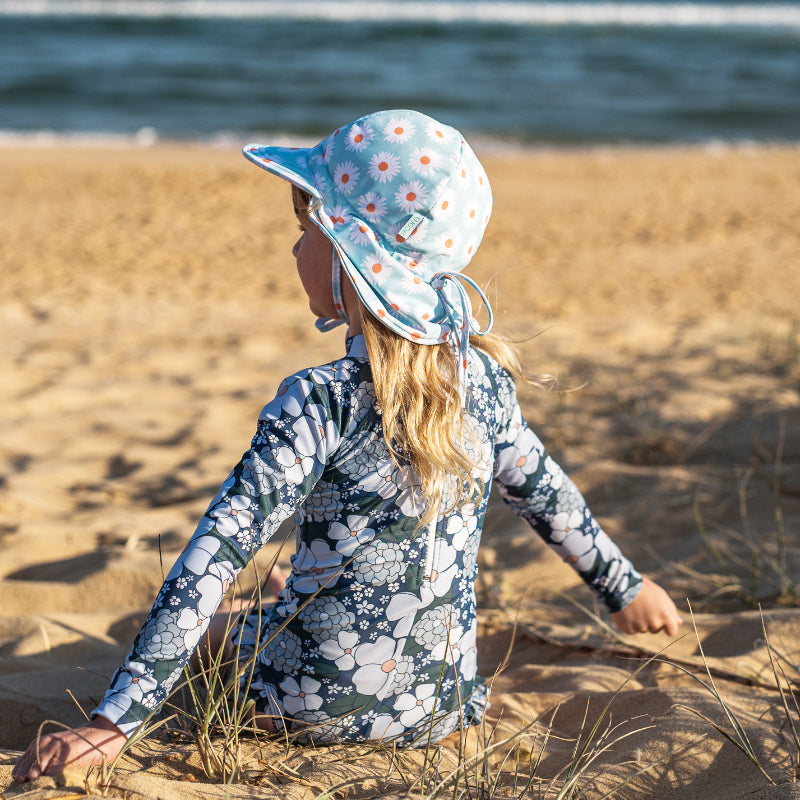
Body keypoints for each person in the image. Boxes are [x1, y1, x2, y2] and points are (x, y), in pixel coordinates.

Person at [13, 109, 682, 782]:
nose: (293, 250)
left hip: (304, 703)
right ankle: (294, 598)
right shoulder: (484, 385)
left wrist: (111, 725)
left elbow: (215, 553)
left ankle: (276, 611)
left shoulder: (319, 399)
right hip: (441, 706)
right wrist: (626, 589)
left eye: (305, 231)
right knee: (288, 596)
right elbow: (547, 496)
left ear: (346, 252)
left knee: (215, 624)